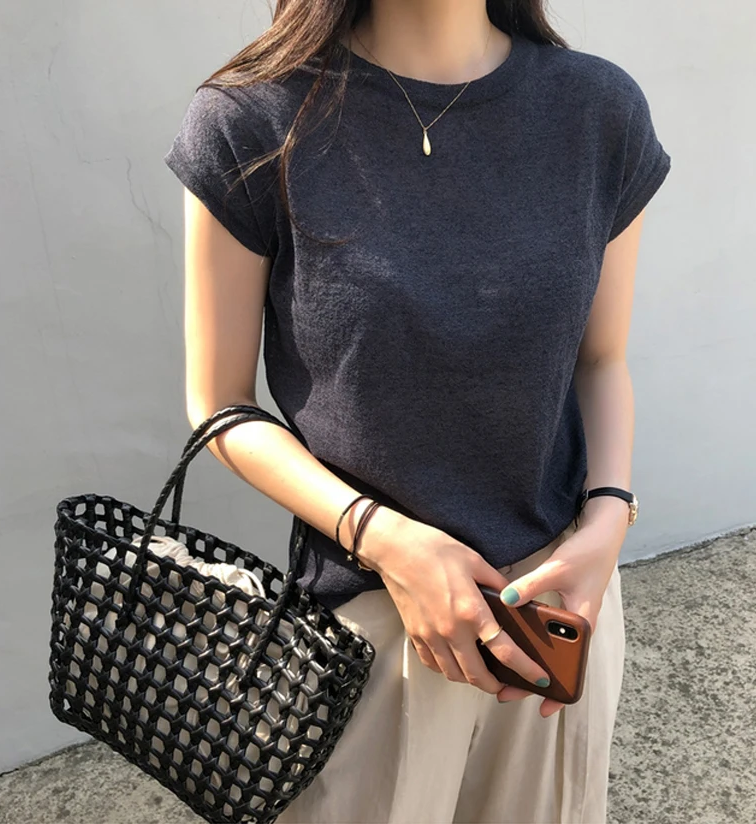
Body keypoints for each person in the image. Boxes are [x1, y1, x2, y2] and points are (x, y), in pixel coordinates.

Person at [163, 1, 671, 821]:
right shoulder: (252, 117)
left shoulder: (597, 110)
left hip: (554, 609)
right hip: (368, 624)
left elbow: (601, 359)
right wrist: (386, 540)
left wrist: (610, 515)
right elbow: (218, 405)